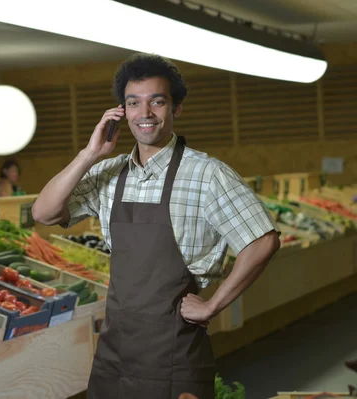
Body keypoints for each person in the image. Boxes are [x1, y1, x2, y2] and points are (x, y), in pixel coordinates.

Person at [31, 54, 281, 399]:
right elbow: (43, 213)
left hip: (174, 357)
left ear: (176, 109)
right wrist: (90, 154)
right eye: (134, 103)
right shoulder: (110, 173)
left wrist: (212, 306)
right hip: (114, 354)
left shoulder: (207, 175)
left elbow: (263, 241)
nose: (144, 114)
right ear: (122, 111)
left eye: (157, 101)